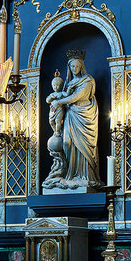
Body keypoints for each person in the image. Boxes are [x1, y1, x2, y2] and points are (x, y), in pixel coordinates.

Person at [42, 50, 100, 190]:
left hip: (83, 116)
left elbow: (76, 97)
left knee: (83, 147)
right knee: (67, 143)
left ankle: (84, 176)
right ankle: (71, 174)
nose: (74, 69)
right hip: (70, 116)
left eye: (76, 66)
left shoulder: (88, 81)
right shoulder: (69, 83)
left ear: (81, 66)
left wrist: (59, 102)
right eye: (72, 66)